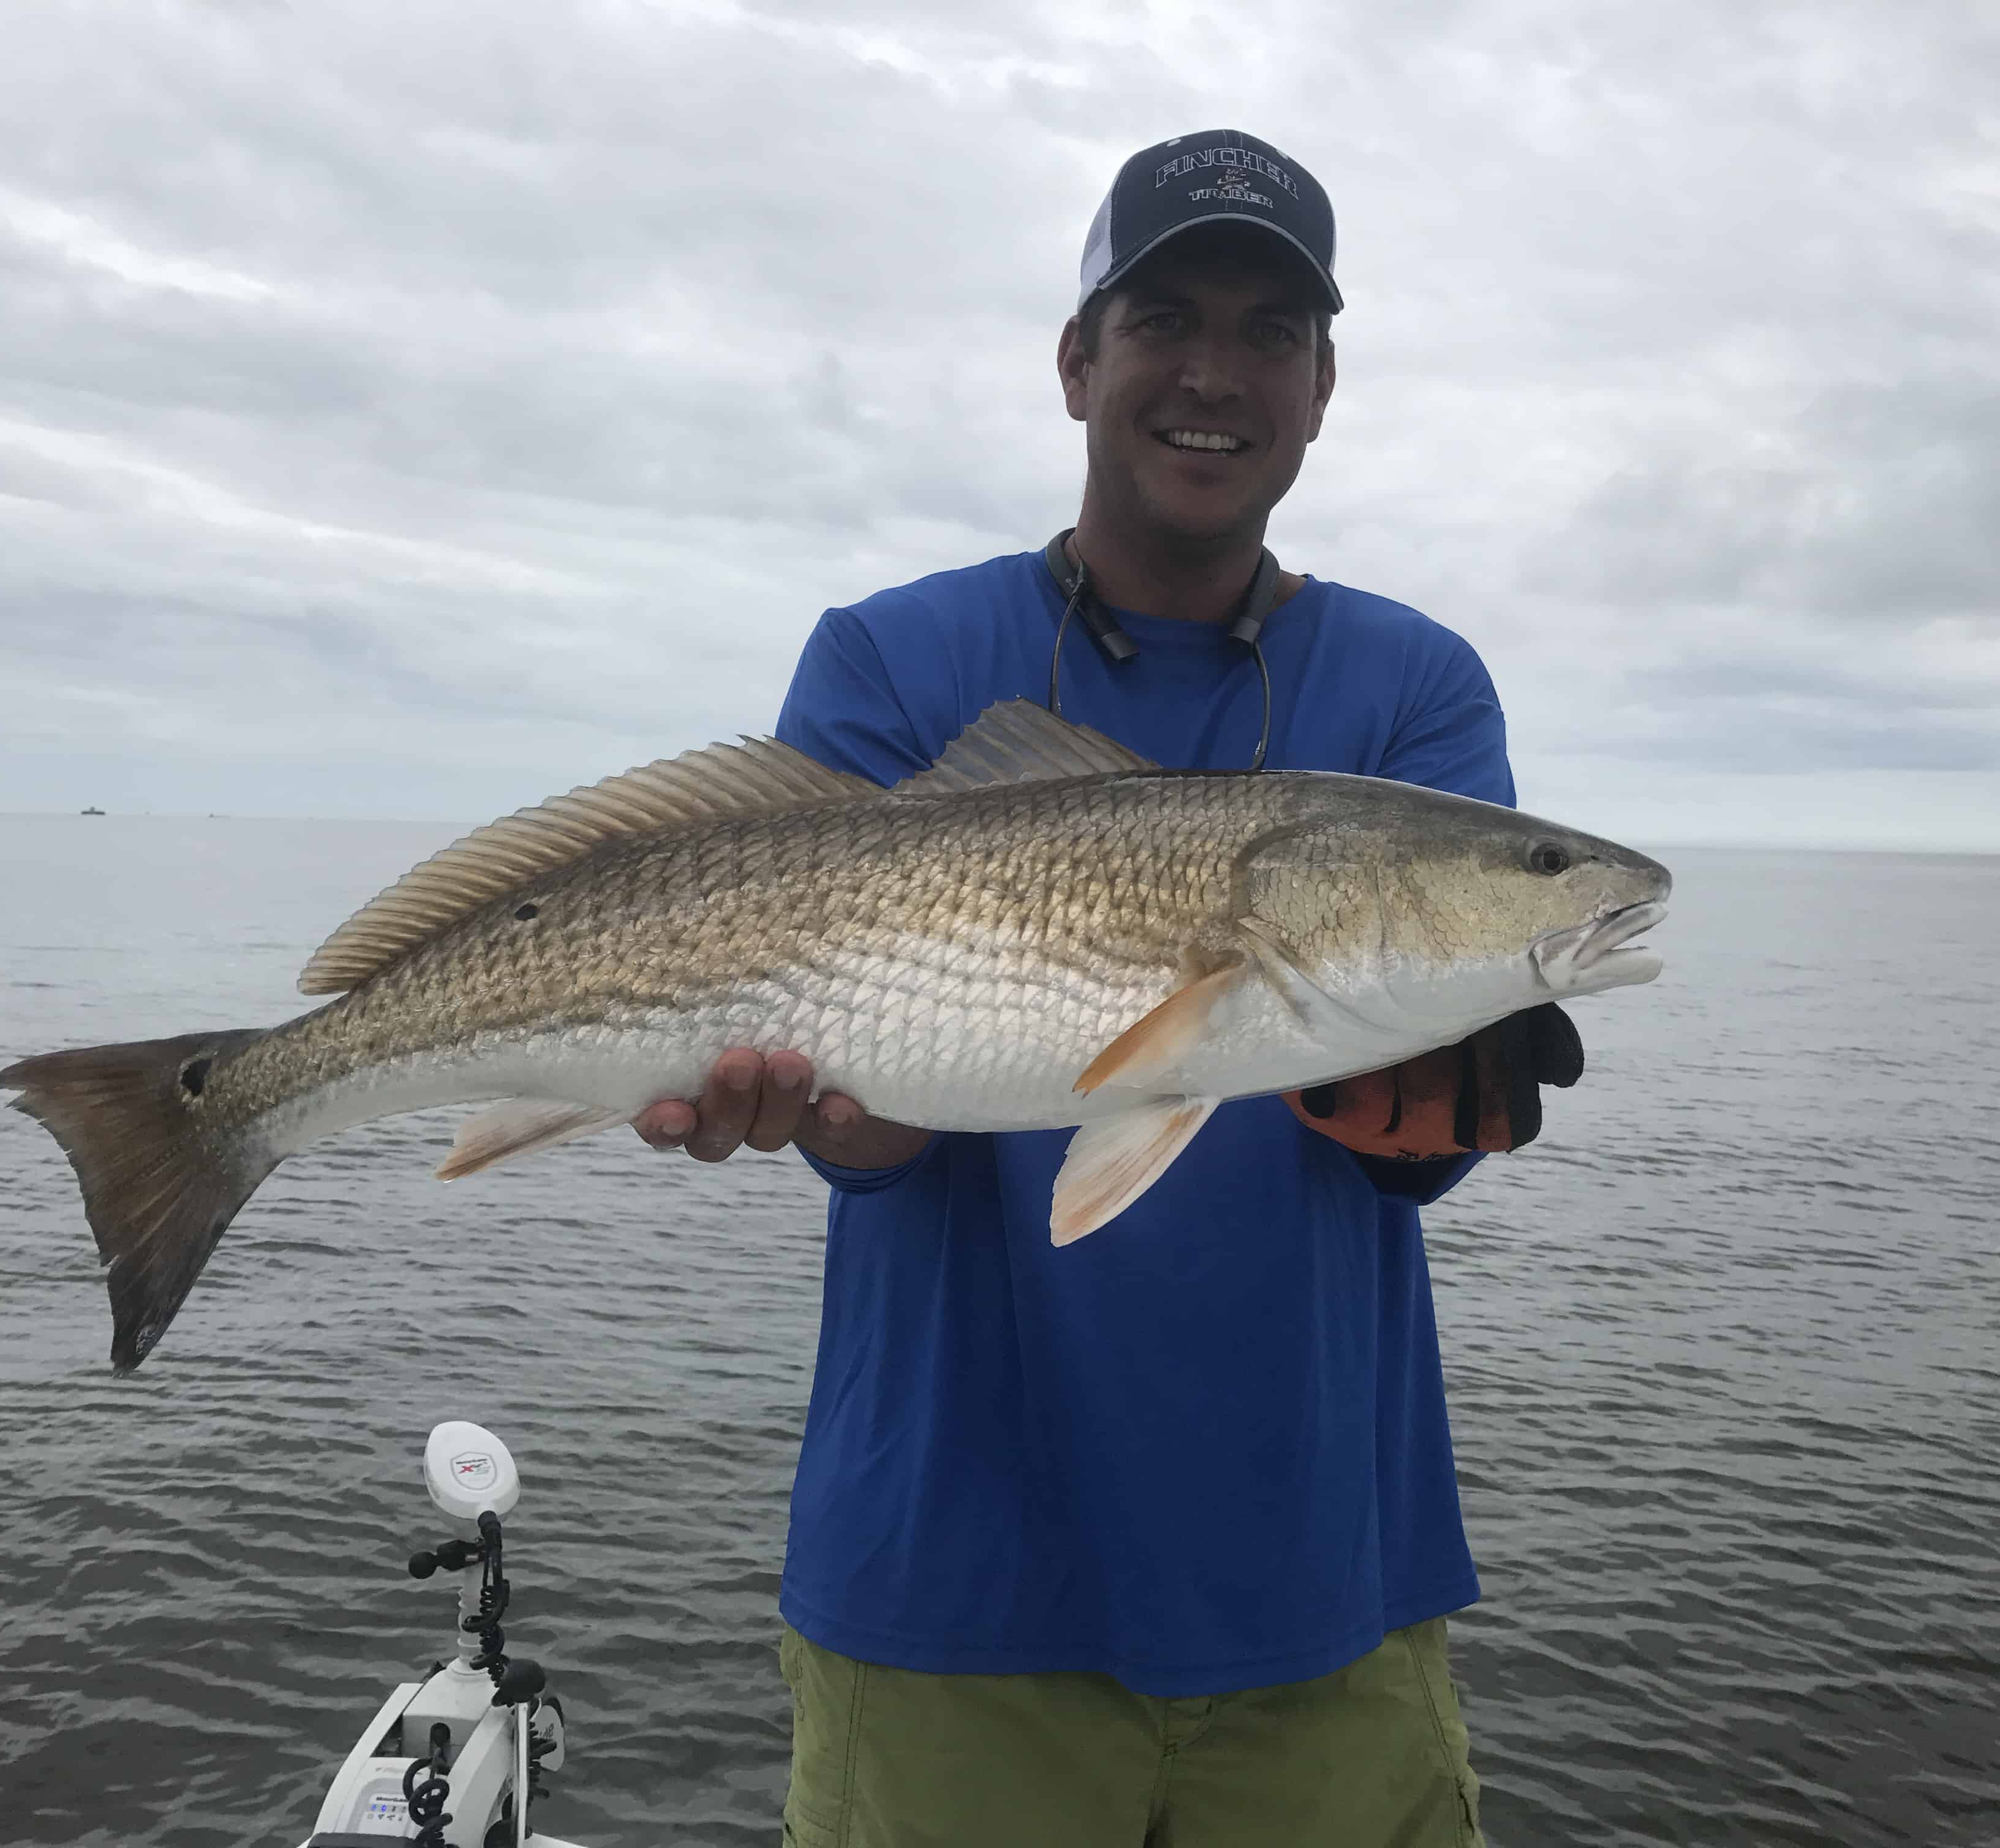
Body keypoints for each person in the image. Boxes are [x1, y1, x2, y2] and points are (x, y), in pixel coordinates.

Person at [635, 130, 1580, 1848]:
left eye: (1271, 332)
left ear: (1324, 387)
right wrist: (828, 1120)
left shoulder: (1416, 689)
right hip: (948, 1585)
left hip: (1323, 1584)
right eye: (1164, 321)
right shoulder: (893, 655)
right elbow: (871, 1136)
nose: (1215, 374)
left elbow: (1420, 1144)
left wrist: (1440, 1107)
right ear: (1079, 361)